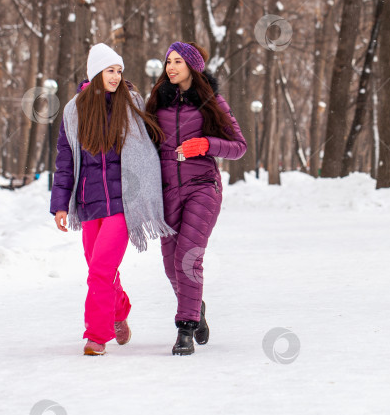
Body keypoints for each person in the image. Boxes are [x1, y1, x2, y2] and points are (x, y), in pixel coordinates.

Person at [50, 43, 174, 356]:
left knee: (101, 270)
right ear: (95, 73)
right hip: (89, 204)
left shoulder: (130, 104)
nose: (117, 76)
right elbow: (65, 160)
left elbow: (148, 145)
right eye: (110, 70)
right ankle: (119, 310)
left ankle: (96, 336)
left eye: (119, 71)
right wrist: (61, 204)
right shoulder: (74, 111)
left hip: (122, 203)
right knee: (98, 268)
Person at [145, 41, 247, 356]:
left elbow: (238, 146)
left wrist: (203, 144)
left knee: (188, 257)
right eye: (168, 62)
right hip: (165, 192)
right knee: (170, 266)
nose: (171, 67)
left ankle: (185, 328)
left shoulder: (211, 102)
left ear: (193, 66)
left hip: (203, 186)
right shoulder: (156, 103)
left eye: (177, 61)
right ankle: (196, 307)